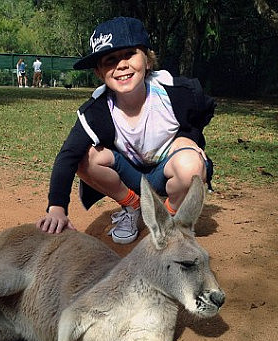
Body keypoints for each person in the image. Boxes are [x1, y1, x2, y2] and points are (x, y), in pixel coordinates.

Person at [36, 17, 215, 244]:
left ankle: (166, 219)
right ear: (100, 73)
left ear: (148, 60)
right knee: (85, 156)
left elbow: (206, 108)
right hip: (131, 177)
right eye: (110, 60)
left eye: (129, 54)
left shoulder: (176, 92)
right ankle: (135, 207)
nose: (121, 65)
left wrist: (188, 138)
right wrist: (56, 208)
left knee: (190, 165)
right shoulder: (97, 110)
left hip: (169, 169)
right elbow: (67, 156)